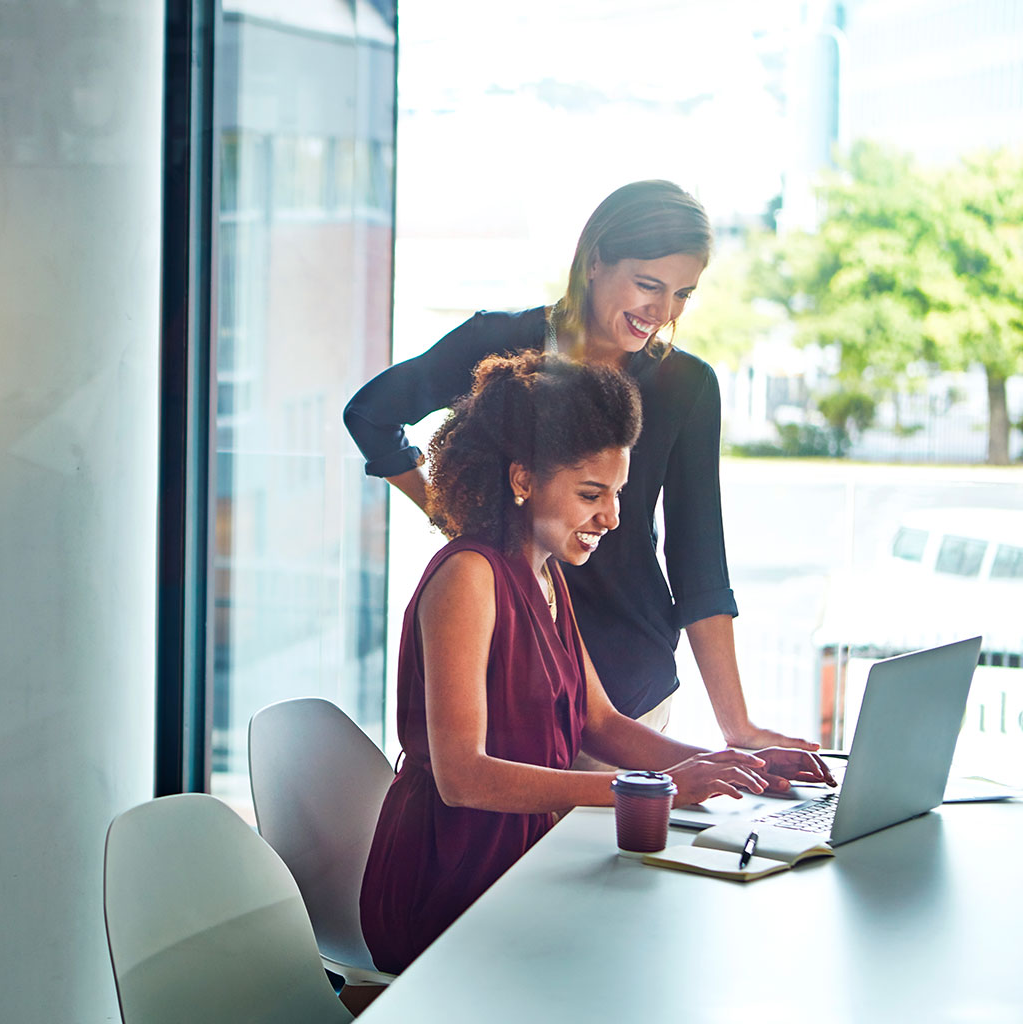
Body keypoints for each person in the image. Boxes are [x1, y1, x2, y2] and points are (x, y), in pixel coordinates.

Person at [357, 352, 834, 974]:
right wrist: (653, 791)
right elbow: (463, 777)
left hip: (522, 856)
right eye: (592, 494)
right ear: (523, 478)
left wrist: (726, 765)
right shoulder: (470, 577)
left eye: (617, 494)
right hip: (446, 881)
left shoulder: (544, 571)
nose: (611, 517)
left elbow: (600, 723)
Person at [344, 179, 814, 756]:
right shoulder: (500, 344)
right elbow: (371, 416)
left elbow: (699, 566)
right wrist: (459, 517)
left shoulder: (685, 386)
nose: (662, 312)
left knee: (608, 846)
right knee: (499, 834)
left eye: (683, 294)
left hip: (625, 678)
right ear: (595, 262)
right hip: (505, 657)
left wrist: (737, 729)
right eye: (648, 285)